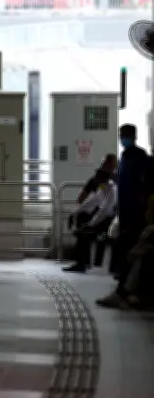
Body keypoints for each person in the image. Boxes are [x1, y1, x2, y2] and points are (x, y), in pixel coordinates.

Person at [97, 124, 150, 308]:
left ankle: (124, 293)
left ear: (133, 136)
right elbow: (125, 182)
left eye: (125, 135)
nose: (122, 139)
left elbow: (142, 185)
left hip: (136, 214)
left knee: (129, 254)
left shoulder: (141, 157)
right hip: (125, 212)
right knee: (124, 253)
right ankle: (127, 293)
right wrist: (112, 177)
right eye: (121, 135)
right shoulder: (125, 158)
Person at [62, 167, 117, 273]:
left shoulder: (112, 190)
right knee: (81, 224)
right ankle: (83, 262)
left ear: (103, 179)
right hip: (102, 219)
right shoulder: (102, 188)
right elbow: (91, 201)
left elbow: (104, 210)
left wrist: (90, 224)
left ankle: (81, 264)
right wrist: (75, 213)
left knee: (83, 233)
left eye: (97, 179)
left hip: (109, 221)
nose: (95, 181)